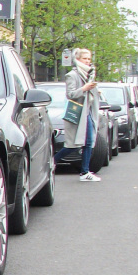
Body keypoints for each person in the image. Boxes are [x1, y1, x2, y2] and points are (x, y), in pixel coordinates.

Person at [55, 48, 102, 182]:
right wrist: (84, 89)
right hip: (77, 113)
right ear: (78, 60)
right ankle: (52, 161)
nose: (87, 61)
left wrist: (94, 92)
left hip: (86, 111)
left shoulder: (89, 74)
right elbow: (70, 94)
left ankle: (84, 172)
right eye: (84, 59)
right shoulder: (72, 75)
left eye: (89, 59)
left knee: (88, 142)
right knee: (73, 145)